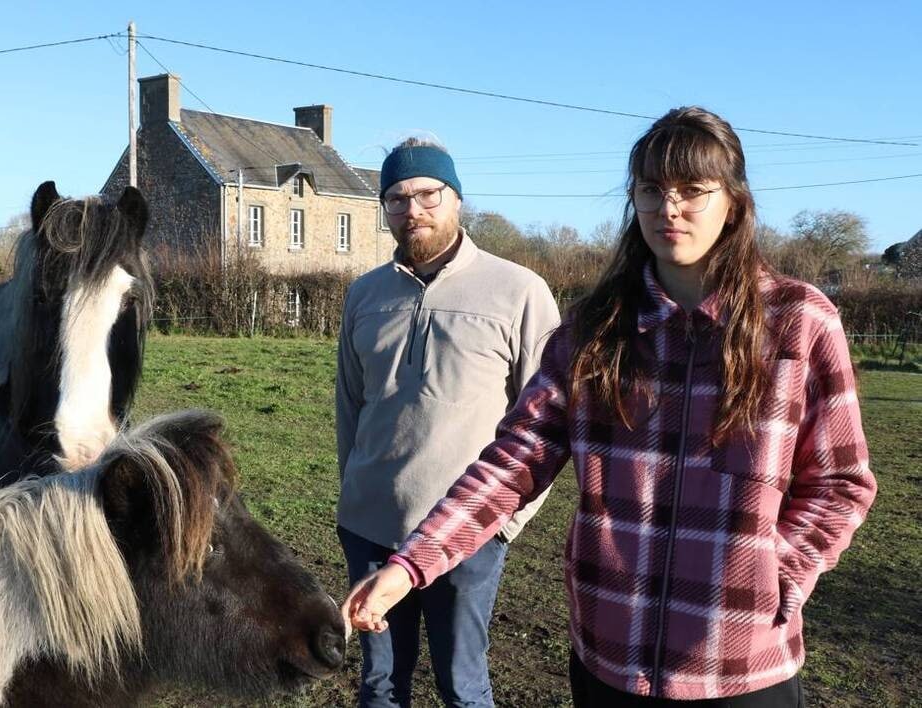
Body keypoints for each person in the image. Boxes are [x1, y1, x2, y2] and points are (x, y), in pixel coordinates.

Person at [343, 107, 877, 707]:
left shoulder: (798, 322)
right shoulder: (594, 332)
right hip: (608, 659)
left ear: (733, 200)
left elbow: (839, 481)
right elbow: (510, 464)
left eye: (692, 191)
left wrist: (781, 573)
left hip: (740, 666)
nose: (668, 209)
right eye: (651, 191)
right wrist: (410, 567)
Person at [336, 136, 561, 707]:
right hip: (370, 529)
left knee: (462, 686)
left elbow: (549, 425)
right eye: (396, 198)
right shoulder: (364, 294)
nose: (413, 209)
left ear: (456, 197)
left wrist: (505, 524)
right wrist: (354, 493)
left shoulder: (519, 291)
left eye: (428, 194)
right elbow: (350, 406)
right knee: (381, 683)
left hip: (467, 535)